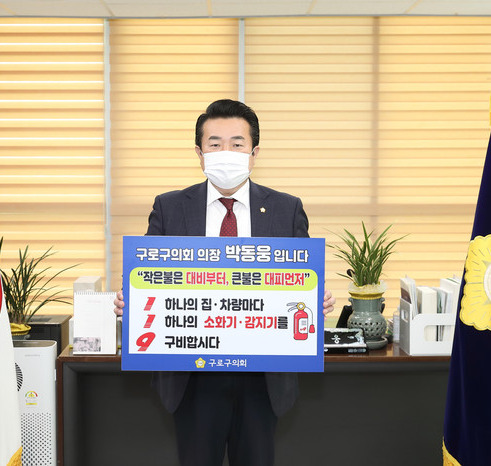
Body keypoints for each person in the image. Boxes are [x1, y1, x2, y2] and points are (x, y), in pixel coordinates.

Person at [113, 99, 335, 466]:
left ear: (254, 153)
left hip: (263, 376)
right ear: (199, 154)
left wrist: (316, 300)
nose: (226, 153)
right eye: (215, 144)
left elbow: (303, 280)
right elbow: (148, 277)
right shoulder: (169, 207)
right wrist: (131, 301)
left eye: (237, 143)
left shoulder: (286, 209)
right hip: (192, 376)